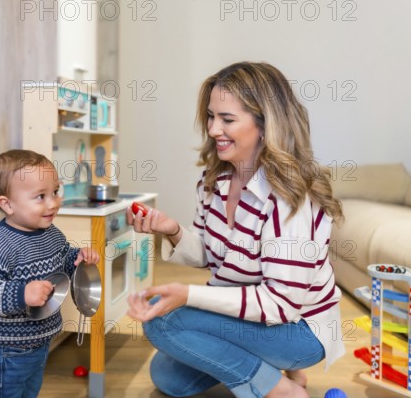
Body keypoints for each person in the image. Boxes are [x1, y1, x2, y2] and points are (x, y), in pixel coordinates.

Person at [127, 62, 345, 398]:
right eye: (211, 117)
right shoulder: (215, 181)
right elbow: (212, 255)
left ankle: (281, 389)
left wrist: (187, 295)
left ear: (265, 124)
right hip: (254, 319)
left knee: (163, 323)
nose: (213, 129)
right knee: (168, 377)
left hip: (299, 328)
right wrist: (171, 231)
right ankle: (273, 370)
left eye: (227, 119)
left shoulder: (289, 199)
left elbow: (281, 305)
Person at [0, 149, 100, 398]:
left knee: (31, 392)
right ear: (7, 204)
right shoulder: (0, 246)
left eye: (55, 192)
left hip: (40, 343)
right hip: (5, 351)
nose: (52, 203)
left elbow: (62, 260)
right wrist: (22, 293)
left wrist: (78, 258)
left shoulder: (51, 233)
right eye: (40, 196)